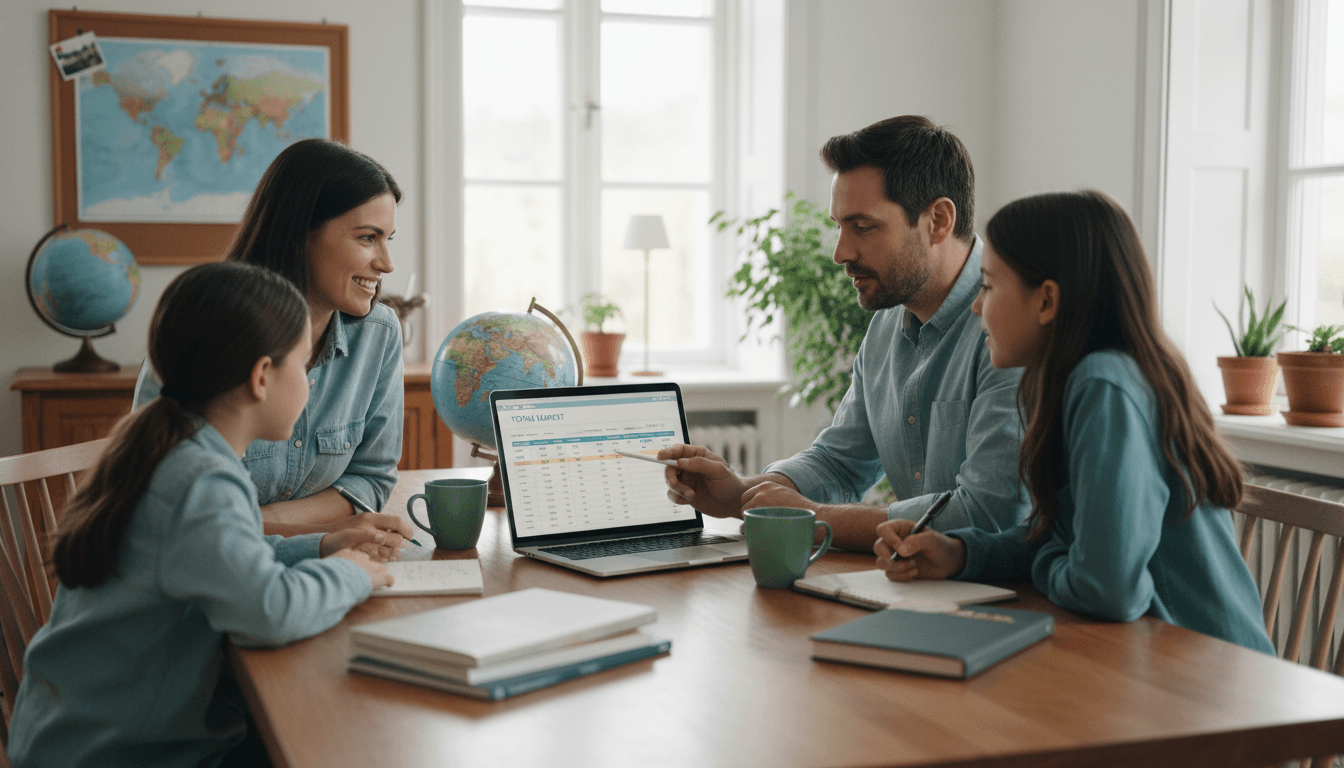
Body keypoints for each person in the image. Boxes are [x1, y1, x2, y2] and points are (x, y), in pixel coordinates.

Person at [8, 262, 398, 767]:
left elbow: (220, 555)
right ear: (262, 377)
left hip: (73, 732)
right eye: (302, 365)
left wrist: (318, 546)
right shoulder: (201, 479)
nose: (307, 380)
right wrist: (350, 573)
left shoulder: (177, 446)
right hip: (117, 753)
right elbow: (268, 612)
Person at [873, 191, 1274, 653]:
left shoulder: (1103, 385)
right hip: (1155, 658)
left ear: (1046, 301)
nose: (977, 307)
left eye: (987, 285)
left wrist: (1045, 559)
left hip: (1213, 681)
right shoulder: (1084, 381)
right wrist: (962, 553)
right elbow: (1065, 538)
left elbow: (1107, 590)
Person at [661, 116, 1029, 551]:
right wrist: (740, 495)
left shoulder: (1013, 327)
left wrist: (812, 518)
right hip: (926, 586)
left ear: (938, 220)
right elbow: (840, 463)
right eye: (839, 226)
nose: (841, 253)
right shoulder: (887, 325)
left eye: (864, 227)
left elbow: (989, 513)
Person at [134, 139, 411, 544]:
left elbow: (369, 479)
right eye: (368, 238)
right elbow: (164, 504)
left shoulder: (379, 333)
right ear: (300, 233)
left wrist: (269, 525)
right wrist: (319, 533)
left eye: (389, 239)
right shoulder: (199, 327)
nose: (386, 263)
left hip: (300, 563)